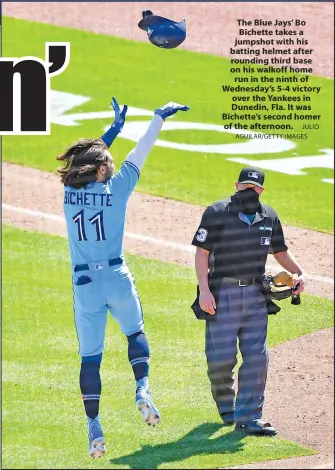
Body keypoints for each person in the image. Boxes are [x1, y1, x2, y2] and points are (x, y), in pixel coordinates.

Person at [57, 97, 189, 458]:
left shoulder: (70, 192)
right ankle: (142, 389)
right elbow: (142, 148)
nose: (113, 165)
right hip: (116, 276)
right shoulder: (120, 186)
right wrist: (158, 117)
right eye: (108, 164)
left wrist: (113, 129)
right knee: (135, 333)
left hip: (84, 287)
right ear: (101, 170)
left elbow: (91, 158)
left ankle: (94, 427)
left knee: (90, 359)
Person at [191, 167, 305, 436]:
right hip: (222, 294)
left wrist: (299, 273)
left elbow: (280, 252)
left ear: (261, 191)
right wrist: (204, 292)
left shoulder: (269, 216)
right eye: (244, 186)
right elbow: (202, 253)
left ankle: (249, 417)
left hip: (255, 295)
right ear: (236, 186)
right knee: (221, 359)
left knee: (257, 357)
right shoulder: (217, 212)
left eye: (253, 188)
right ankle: (227, 406)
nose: (248, 191)